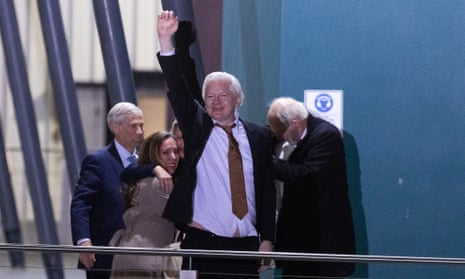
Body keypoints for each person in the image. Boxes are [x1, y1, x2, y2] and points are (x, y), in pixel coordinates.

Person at [156, 10, 276, 279]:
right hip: (202, 243)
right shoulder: (199, 127)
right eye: (210, 96)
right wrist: (166, 42)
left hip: (246, 246)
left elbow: (267, 191)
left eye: (223, 95)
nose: (215, 101)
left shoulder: (258, 137)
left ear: (238, 100)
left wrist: (267, 239)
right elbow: (177, 88)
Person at [267, 97, 356, 278]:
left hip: (322, 244)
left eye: (281, 133)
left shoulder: (325, 135)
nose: (281, 138)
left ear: (295, 124)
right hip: (299, 244)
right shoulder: (304, 134)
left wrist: (268, 164)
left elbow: (307, 175)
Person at [70, 102, 144, 279]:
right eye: (133, 126)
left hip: (140, 255)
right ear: (115, 127)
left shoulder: (146, 163)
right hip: (105, 255)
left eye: (142, 125)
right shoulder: (97, 161)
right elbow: (81, 203)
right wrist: (84, 241)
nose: (140, 132)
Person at [109, 131, 180, 279]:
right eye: (166, 153)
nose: (173, 157)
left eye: (176, 151)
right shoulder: (158, 183)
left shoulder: (145, 178)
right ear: (153, 154)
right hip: (146, 258)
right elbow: (182, 218)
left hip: (130, 254)